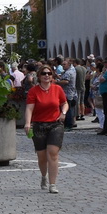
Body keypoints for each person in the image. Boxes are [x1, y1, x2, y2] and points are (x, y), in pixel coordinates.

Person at [23, 64, 68, 193]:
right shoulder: (34, 91)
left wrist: (63, 113)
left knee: (53, 153)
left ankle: (53, 184)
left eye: (49, 73)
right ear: (39, 76)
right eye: (44, 73)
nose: (47, 76)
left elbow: (64, 103)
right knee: (42, 156)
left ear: (52, 75)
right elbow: (29, 108)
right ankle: (44, 176)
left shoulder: (57, 89)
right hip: (39, 125)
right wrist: (27, 123)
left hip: (55, 124)